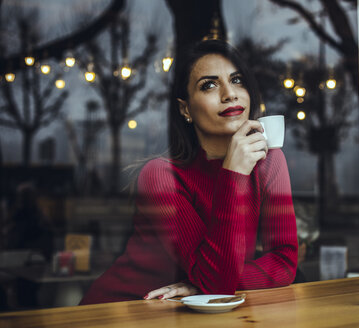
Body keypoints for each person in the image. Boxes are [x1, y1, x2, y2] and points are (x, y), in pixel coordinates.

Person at [80, 40, 298, 305]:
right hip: (127, 309)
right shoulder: (160, 176)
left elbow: (284, 263)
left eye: (237, 80)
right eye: (209, 85)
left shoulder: (269, 162)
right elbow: (217, 282)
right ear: (185, 109)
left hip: (197, 311)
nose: (230, 94)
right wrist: (234, 173)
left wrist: (201, 286)